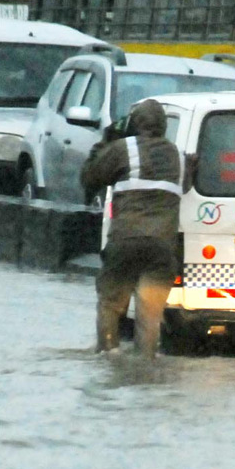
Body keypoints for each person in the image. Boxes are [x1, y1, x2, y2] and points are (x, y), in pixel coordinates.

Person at [81, 98, 182, 357]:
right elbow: (186, 185)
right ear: (163, 127)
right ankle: (145, 364)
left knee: (111, 304)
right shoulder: (177, 156)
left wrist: (106, 140)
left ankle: (108, 354)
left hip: (125, 243)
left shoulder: (122, 148)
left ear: (135, 125)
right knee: (150, 315)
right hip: (161, 249)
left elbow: (88, 177)